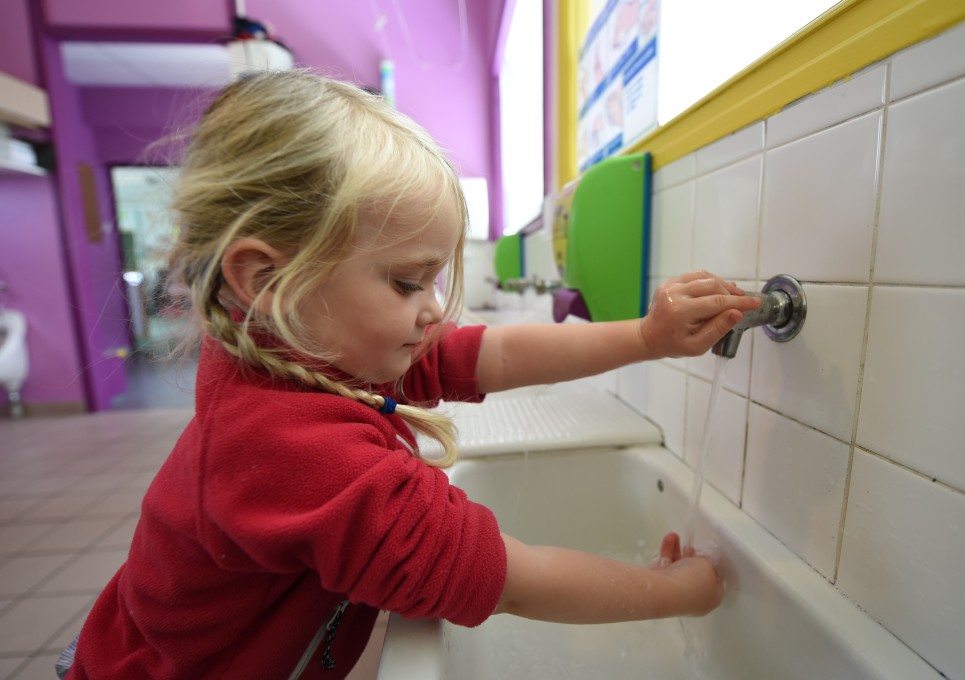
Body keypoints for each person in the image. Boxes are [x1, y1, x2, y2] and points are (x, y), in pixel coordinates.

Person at [62, 70, 761, 679]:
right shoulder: (290, 447)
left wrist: (647, 337)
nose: (431, 312)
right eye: (405, 283)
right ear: (269, 280)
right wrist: (677, 593)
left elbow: (487, 355)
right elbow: (507, 581)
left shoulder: (294, 348)